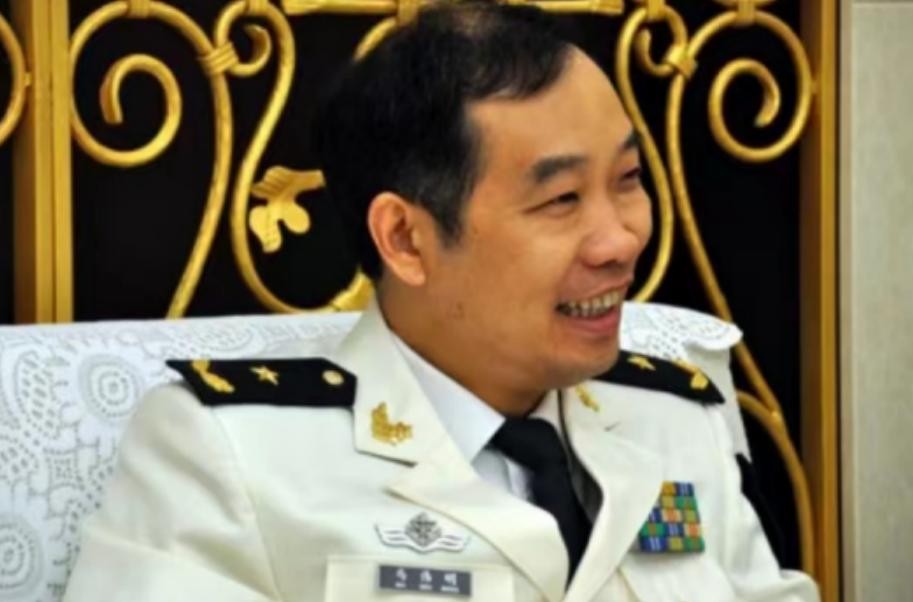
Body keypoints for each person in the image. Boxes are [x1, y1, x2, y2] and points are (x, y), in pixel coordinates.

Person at [63, 2, 819, 601]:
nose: (620, 239)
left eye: (627, 180)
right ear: (405, 239)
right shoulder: (229, 454)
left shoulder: (676, 420)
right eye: (560, 198)